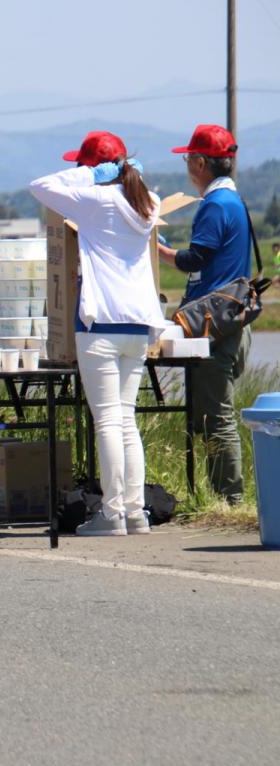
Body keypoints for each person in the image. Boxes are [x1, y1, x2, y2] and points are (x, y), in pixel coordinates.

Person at [29, 131, 165, 535]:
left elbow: (40, 187)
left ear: (92, 167)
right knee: (127, 420)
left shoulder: (94, 200)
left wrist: (89, 177)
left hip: (100, 322)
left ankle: (111, 514)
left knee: (107, 420)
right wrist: (113, 171)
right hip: (139, 324)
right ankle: (136, 511)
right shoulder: (148, 202)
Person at [157, 124, 253, 505]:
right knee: (214, 413)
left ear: (200, 162)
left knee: (217, 415)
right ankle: (221, 494)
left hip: (213, 323)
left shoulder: (215, 204)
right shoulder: (234, 200)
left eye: (188, 159)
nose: (187, 166)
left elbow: (196, 258)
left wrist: (160, 250)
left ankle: (228, 499)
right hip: (229, 319)